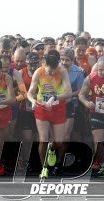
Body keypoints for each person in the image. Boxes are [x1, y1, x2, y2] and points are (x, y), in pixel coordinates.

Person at [26, 50, 72, 179]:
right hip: (42, 107)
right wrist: (32, 101)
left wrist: (55, 97)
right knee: (43, 138)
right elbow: (30, 92)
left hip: (58, 108)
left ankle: (52, 148)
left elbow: (68, 92)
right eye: (49, 71)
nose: (51, 73)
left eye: (53, 70)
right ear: (43, 63)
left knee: (58, 141)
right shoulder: (38, 72)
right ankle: (44, 168)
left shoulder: (62, 71)